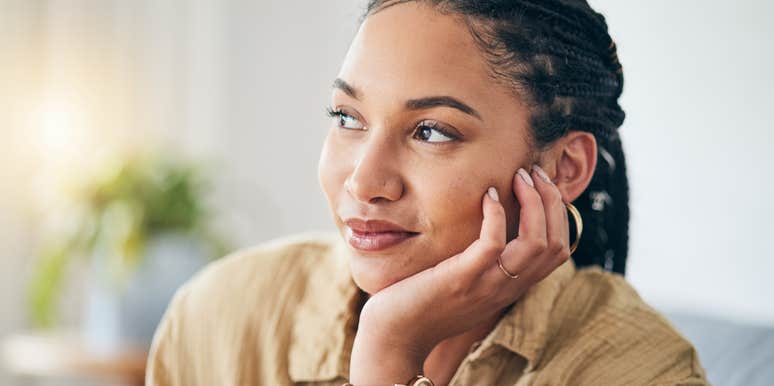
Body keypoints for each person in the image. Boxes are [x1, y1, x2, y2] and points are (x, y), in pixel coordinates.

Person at [145, 1, 709, 385]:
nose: (363, 181)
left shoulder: (642, 368)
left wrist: (388, 353)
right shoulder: (221, 313)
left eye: (431, 131)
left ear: (564, 168)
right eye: (347, 117)